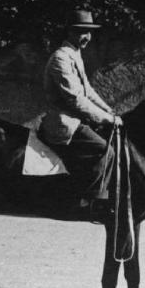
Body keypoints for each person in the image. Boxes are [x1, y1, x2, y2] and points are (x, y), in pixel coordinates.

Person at [39, 10, 123, 201]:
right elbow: (75, 99)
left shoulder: (75, 55)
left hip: (77, 120)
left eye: (89, 32)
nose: (87, 37)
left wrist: (108, 110)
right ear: (69, 32)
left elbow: (88, 90)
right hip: (63, 122)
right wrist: (109, 119)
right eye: (81, 32)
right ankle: (90, 199)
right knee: (105, 151)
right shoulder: (60, 58)